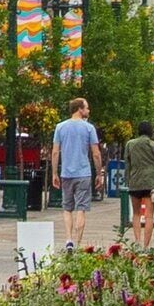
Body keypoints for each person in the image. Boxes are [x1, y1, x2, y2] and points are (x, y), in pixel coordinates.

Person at [50, 98, 103, 239]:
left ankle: (68, 239)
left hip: (66, 173)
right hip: (84, 173)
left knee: (67, 208)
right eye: (87, 108)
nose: (88, 110)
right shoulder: (89, 128)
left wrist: (54, 173)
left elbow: (55, 152)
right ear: (80, 109)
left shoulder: (60, 127)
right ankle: (78, 244)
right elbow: (96, 153)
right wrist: (99, 173)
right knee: (81, 209)